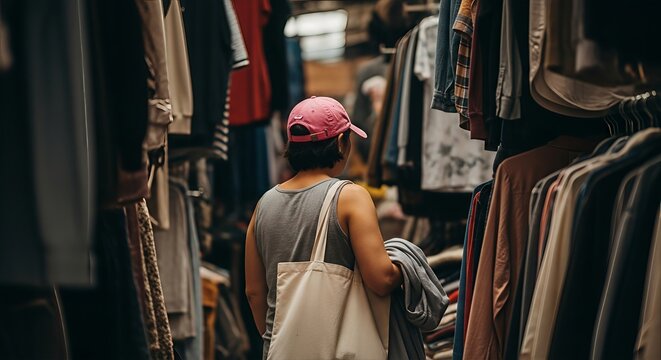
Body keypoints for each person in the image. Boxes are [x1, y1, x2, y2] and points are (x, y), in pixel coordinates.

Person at [244, 96, 403, 358]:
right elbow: (381, 279)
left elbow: (253, 292)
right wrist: (406, 267)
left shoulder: (264, 205)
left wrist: (280, 335)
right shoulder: (350, 196)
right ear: (341, 142)